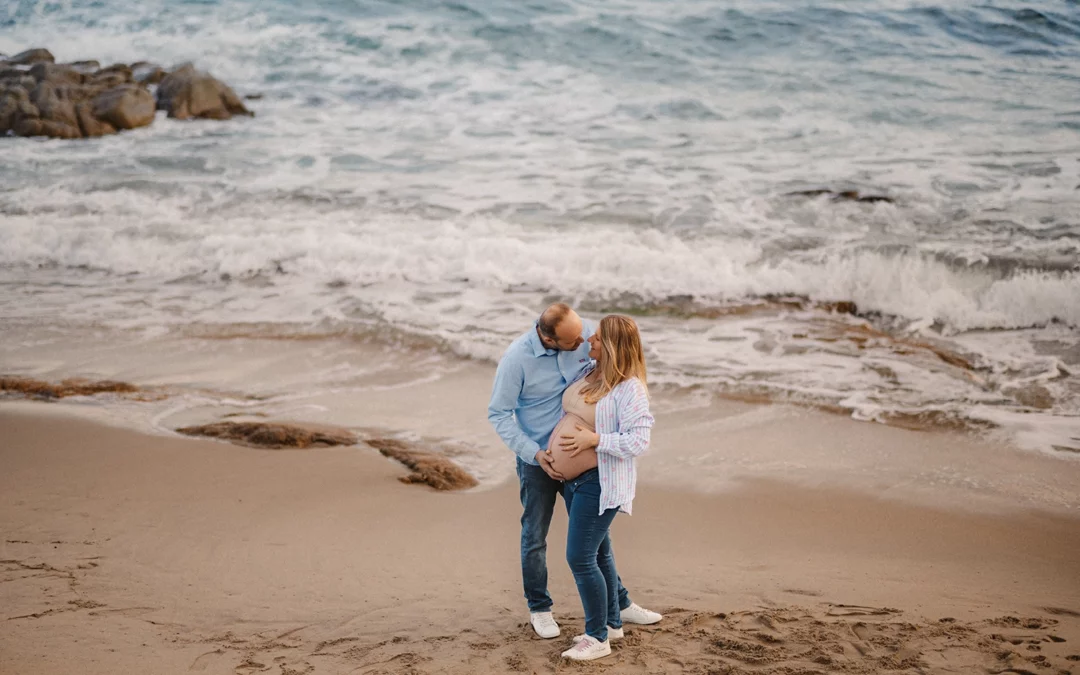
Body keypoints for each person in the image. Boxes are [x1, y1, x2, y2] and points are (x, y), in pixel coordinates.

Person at [488, 304, 661, 641]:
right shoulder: (516, 360)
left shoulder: (581, 335)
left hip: (586, 466)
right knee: (535, 536)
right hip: (538, 460)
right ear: (548, 338)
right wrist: (535, 454)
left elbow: (617, 356)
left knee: (595, 542)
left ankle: (619, 606)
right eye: (573, 342)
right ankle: (540, 608)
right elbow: (498, 414)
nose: (584, 343)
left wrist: (598, 437)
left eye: (586, 335)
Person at [553, 314, 655, 661]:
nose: (589, 342)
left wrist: (595, 439)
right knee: (598, 553)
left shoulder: (630, 389)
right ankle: (612, 623)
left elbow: (639, 441)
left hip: (601, 482)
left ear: (611, 345)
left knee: (579, 557)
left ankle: (598, 638)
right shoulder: (589, 373)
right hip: (574, 482)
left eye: (596, 338)